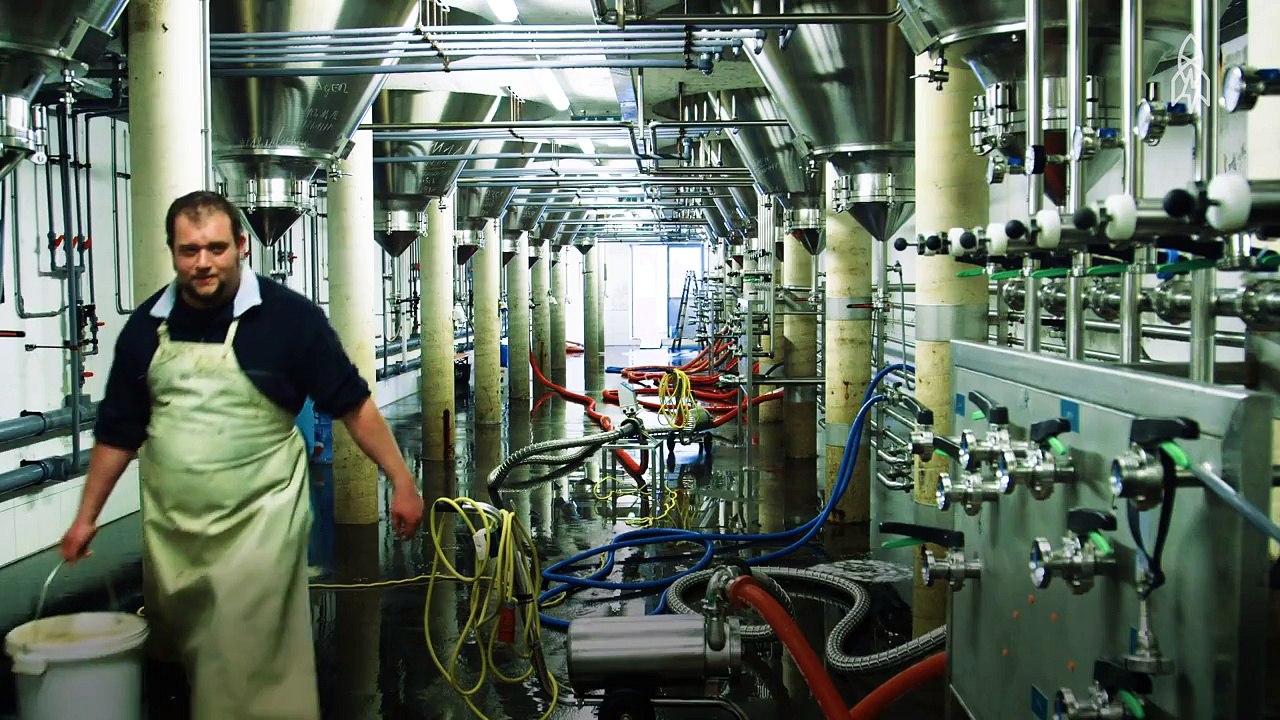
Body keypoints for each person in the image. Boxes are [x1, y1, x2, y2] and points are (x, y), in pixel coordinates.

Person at [58, 190, 424, 720]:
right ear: (172, 252)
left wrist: (402, 482)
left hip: (260, 526)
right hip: (174, 535)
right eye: (188, 251)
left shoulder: (288, 321)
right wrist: (86, 517)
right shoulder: (146, 328)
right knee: (185, 657)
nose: (202, 263)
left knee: (243, 664)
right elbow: (119, 430)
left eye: (214, 248)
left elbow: (353, 405)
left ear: (241, 246)